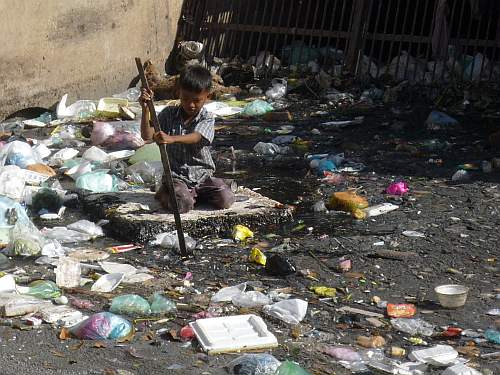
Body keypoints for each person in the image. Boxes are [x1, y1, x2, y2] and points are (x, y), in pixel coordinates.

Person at [139, 65, 235, 214]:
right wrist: (145, 109)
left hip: (203, 176)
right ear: (179, 93)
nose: (190, 105)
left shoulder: (207, 117)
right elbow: (147, 135)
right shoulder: (168, 114)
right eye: (185, 98)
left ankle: (195, 194)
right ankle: (167, 193)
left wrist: (172, 139)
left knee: (226, 199)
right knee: (182, 204)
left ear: (207, 96)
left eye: (196, 100)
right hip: (177, 176)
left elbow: (197, 137)